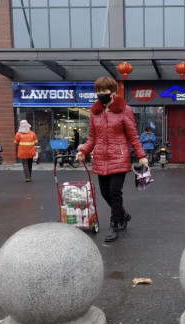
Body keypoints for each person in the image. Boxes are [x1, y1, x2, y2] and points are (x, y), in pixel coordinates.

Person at [75, 76, 149, 243]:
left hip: (119, 157)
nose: (100, 93)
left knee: (115, 192)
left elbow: (133, 136)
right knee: (104, 192)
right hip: (101, 158)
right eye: (98, 91)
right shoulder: (95, 112)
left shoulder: (125, 110)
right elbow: (92, 137)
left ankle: (114, 224)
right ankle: (122, 214)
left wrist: (142, 156)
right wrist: (83, 151)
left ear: (113, 92)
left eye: (104, 90)